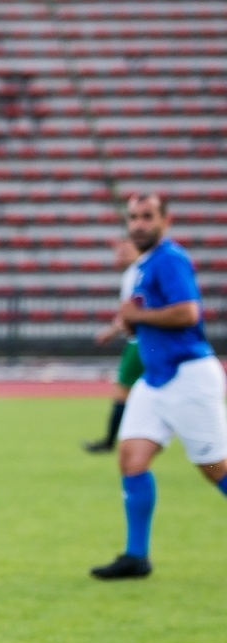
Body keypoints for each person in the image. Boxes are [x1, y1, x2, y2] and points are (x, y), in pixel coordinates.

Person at [91, 193, 227, 579]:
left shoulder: (170, 259)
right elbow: (140, 325)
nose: (138, 224)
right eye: (133, 217)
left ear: (165, 221)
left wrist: (139, 315)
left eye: (147, 217)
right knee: (131, 458)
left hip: (188, 376)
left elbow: (188, 312)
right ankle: (137, 556)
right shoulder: (140, 267)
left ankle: (137, 555)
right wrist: (132, 323)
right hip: (155, 380)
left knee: (215, 468)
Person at [83, 238, 144, 453]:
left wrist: (110, 332)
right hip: (145, 340)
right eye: (119, 251)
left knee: (123, 391)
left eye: (125, 250)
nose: (120, 255)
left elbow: (130, 312)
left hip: (140, 341)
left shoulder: (136, 274)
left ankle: (110, 442)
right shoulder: (138, 272)